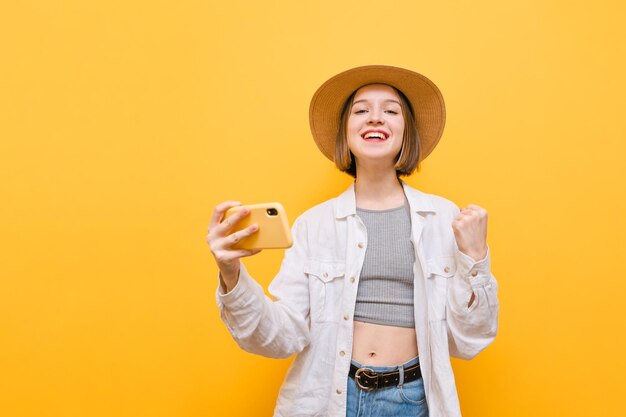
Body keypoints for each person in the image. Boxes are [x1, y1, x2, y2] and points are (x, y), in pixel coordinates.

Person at [206, 65, 499, 417]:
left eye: (390, 111)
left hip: (413, 400)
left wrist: (476, 258)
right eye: (361, 110)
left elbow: (470, 340)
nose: (375, 118)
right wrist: (231, 273)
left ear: (407, 133)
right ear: (346, 132)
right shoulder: (313, 225)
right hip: (331, 398)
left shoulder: (443, 218)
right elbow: (283, 336)